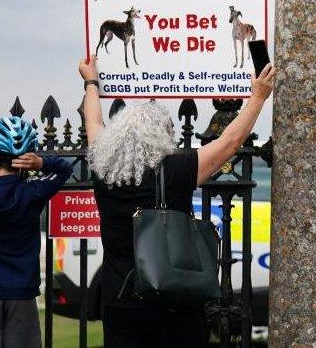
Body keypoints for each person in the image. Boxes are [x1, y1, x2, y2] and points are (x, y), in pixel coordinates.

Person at [78, 56, 274, 348]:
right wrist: (258, 96)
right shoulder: (175, 170)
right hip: (173, 297)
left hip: (120, 297)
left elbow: (92, 122)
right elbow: (230, 142)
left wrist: (91, 82)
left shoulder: (103, 169)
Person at [0, 115, 73, 348]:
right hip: (22, 290)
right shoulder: (33, 192)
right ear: (25, 157)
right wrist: (41, 163)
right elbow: (64, 169)